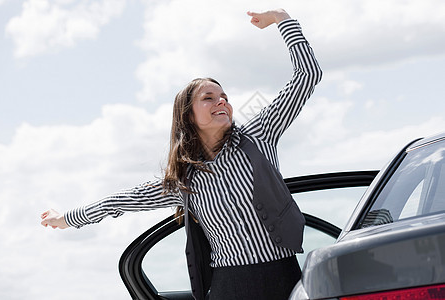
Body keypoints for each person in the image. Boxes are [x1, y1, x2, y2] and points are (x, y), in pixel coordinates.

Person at [41, 8, 322, 300]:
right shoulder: (183, 181)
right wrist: (68, 218)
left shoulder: (259, 133)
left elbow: (308, 74)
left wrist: (282, 19)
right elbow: (123, 200)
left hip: (287, 277)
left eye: (224, 97)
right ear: (188, 115)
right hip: (231, 286)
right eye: (209, 98)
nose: (221, 102)